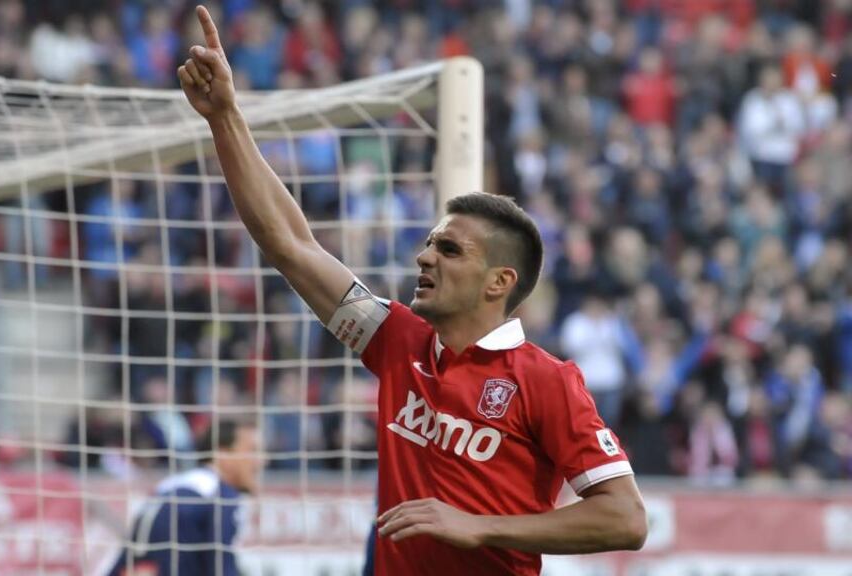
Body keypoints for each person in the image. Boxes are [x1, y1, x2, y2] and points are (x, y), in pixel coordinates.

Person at [177, 6, 647, 575]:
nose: (424, 256)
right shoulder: (398, 338)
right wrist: (225, 118)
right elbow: (290, 245)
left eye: (449, 250)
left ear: (500, 281)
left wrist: (480, 527)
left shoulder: (545, 380)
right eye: (429, 243)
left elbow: (626, 518)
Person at [106, 418, 261, 576]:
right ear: (223, 454)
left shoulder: (170, 486)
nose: (261, 461)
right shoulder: (221, 496)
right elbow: (221, 567)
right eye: (252, 450)